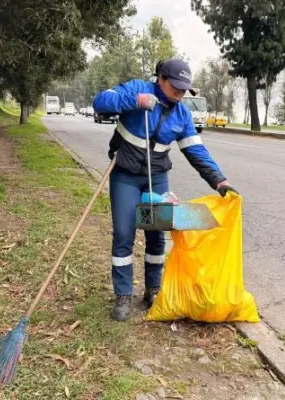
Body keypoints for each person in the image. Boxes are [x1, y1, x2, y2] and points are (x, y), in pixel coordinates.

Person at [92, 58, 237, 321]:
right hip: (125, 176)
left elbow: (196, 150)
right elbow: (100, 102)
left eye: (184, 88)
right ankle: (123, 294)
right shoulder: (137, 89)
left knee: (156, 235)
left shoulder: (182, 115)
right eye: (175, 86)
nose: (180, 92)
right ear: (160, 79)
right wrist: (135, 101)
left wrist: (219, 180)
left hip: (156, 177)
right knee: (124, 233)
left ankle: (153, 289)